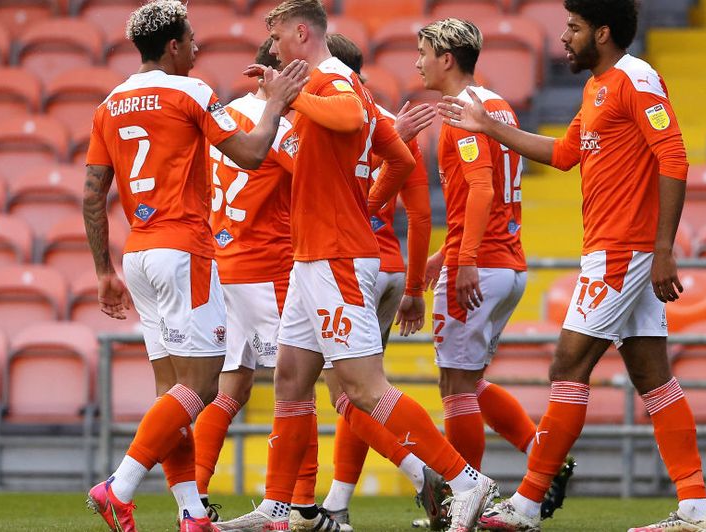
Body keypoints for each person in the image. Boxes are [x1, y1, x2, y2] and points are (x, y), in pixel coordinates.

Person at [436, 1, 706, 531]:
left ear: (603, 32)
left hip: (624, 251)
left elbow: (674, 158)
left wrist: (663, 248)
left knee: (568, 366)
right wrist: (488, 128)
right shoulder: (597, 88)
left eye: (574, 27)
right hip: (616, 248)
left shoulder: (636, 78)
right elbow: (565, 153)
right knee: (652, 376)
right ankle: (695, 508)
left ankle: (526, 504)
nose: (563, 37)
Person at [216, 2, 497, 532]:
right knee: (292, 381)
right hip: (313, 256)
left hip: (338, 258)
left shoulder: (334, 83)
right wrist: (360, 201)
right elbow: (401, 159)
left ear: (302, 33)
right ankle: (280, 509)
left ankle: (466, 482)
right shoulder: (338, 87)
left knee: (363, 388)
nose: (273, 48)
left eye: (277, 37)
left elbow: (347, 119)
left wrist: (289, 95)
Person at [81, 1, 307, 531]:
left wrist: (102, 271)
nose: (199, 47)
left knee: (172, 395)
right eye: (193, 39)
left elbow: (93, 194)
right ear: (175, 46)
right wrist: (274, 103)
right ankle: (120, 485)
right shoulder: (193, 91)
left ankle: (191, 513)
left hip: (137, 254)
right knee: (203, 388)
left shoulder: (108, 103)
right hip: (184, 250)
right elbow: (251, 154)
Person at [413, 17, 575, 530]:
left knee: (455, 387)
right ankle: (543, 456)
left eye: (423, 52)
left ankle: (468, 494)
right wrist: (448, 252)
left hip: (481, 266)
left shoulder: (463, 112)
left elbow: (481, 190)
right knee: (471, 380)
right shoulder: (496, 104)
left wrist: (462, 262)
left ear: (446, 59)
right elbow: (476, 198)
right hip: (505, 262)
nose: (416, 61)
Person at [317, 33, 442, 529]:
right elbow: (421, 216)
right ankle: (338, 504)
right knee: (358, 389)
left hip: (348, 265)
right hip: (387, 267)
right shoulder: (390, 123)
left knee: (352, 392)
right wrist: (412, 288)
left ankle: (436, 475)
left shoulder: (327, 120)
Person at [190, 37, 304, 524]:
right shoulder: (281, 126)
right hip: (266, 266)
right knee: (296, 387)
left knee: (231, 388)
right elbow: (322, 185)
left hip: (222, 265)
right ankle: (297, 506)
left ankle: (192, 497)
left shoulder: (227, 113)